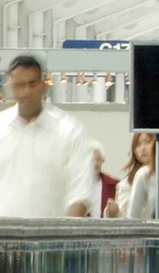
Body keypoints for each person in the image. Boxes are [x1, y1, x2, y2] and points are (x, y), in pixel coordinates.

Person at [0, 55, 94, 218]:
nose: (26, 92)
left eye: (32, 83)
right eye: (19, 85)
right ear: (10, 87)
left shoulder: (69, 131)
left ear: (43, 85)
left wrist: (64, 237)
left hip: (51, 239)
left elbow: (81, 192)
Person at [107, 132, 155, 218]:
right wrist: (112, 213)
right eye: (138, 144)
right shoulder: (126, 183)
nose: (142, 148)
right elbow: (124, 217)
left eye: (147, 142)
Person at [89, 141, 119, 219]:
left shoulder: (114, 184)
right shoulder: (78, 186)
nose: (95, 163)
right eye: (92, 160)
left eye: (98, 160)